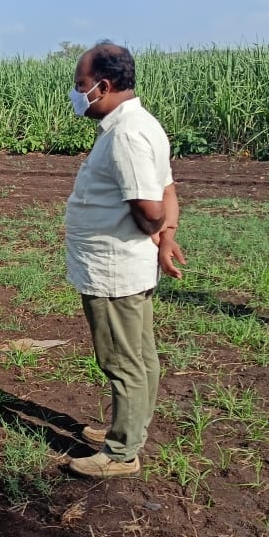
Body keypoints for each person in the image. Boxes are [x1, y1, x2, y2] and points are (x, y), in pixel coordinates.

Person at [63, 43, 184, 479]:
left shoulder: (127, 134)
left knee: (121, 359)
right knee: (140, 354)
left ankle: (121, 452)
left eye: (81, 85)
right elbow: (170, 190)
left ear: (104, 85)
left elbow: (152, 204)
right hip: (123, 264)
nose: (78, 93)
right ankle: (129, 427)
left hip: (113, 268)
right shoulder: (141, 124)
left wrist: (156, 228)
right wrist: (165, 238)